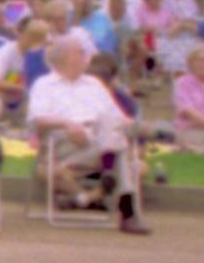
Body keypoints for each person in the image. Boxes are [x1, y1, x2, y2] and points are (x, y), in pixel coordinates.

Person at [24, 31, 150, 234]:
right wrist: (67, 124)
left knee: (113, 127)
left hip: (100, 140)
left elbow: (117, 117)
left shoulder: (94, 84)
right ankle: (125, 209)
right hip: (65, 143)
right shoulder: (45, 85)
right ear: (64, 57)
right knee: (117, 145)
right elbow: (36, 120)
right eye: (81, 53)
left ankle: (101, 190)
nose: (86, 57)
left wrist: (131, 125)